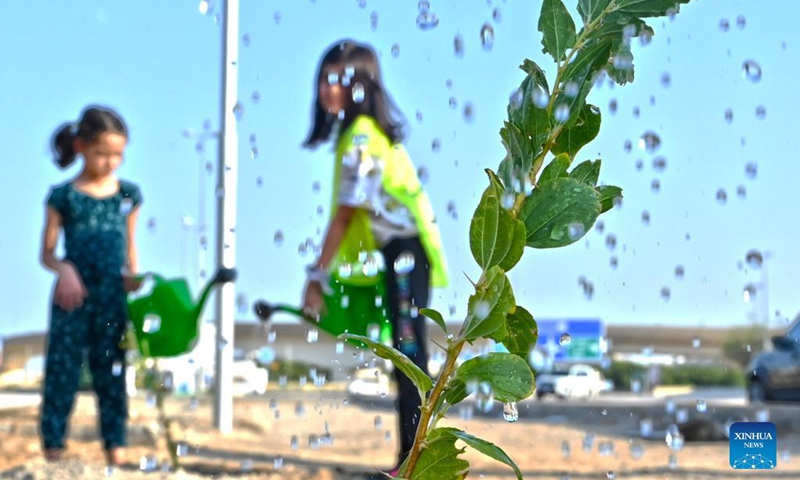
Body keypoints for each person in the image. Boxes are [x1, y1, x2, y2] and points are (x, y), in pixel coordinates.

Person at [301, 40, 449, 476]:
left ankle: (414, 461)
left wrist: (317, 275)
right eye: (325, 79)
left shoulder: (361, 138)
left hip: (405, 251)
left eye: (340, 80)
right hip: (398, 252)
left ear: (363, 85)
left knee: (408, 356)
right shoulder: (362, 135)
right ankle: (410, 457)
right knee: (403, 354)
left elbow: (348, 213)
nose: (329, 90)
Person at [39, 105, 143, 466]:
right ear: (81, 146)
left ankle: (116, 447)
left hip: (112, 298)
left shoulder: (127, 195)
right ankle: (53, 446)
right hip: (72, 296)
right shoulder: (62, 196)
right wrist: (64, 270)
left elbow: (131, 248)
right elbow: (48, 254)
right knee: (62, 370)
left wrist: (134, 276)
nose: (111, 162)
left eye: (118, 154)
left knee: (112, 369)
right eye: (103, 153)